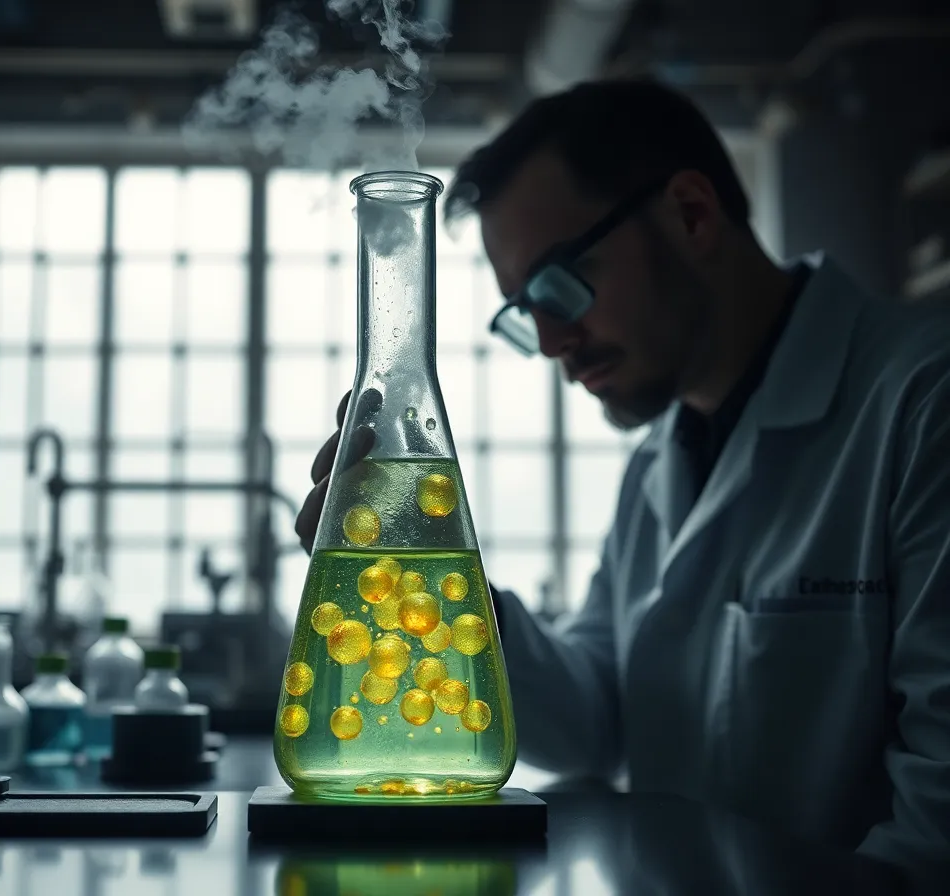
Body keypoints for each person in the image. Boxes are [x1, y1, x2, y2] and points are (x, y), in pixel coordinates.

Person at [294, 77, 950, 881]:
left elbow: (938, 835)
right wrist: (441, 606)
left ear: (692, 214)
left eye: (557, 284)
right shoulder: (657, 464)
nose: (553, 340)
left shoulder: (925, 401)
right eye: (523, 313)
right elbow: (595, 724)